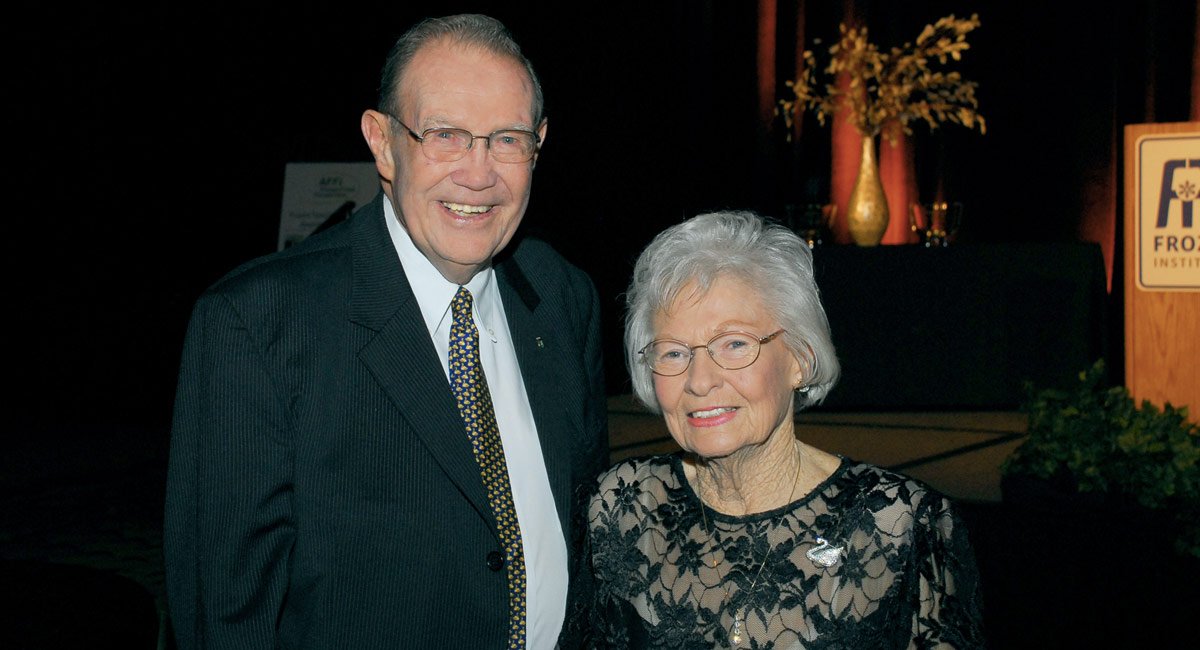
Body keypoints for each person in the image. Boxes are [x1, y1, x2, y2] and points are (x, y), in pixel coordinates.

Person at [164, 14, 609, 650]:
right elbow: (227, 615)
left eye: (506, 140)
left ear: (539, 143)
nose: (478, 174)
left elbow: (580, 534)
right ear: (381, 142)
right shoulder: (256, 324)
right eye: (446, 136)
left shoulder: (563, 299)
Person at [575, 211, 984, 648]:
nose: (699, 380)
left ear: (799, 359)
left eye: (734, 344)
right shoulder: (622, 505)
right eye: (674, 353)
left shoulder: (903, 525)